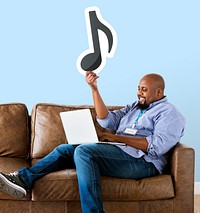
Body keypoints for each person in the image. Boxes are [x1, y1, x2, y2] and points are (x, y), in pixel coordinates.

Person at [0, 72, 185, 213]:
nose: (139, 93)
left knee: (84, 152)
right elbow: (108, 120)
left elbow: (157, 146)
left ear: (159, 91)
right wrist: (94, 89)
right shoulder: (135, 107)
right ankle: (23, 179)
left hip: (143, 163)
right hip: (119, 153)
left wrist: (116, 138)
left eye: (143, 90)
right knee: (65, 150)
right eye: (138, 88)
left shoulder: (169, 113)